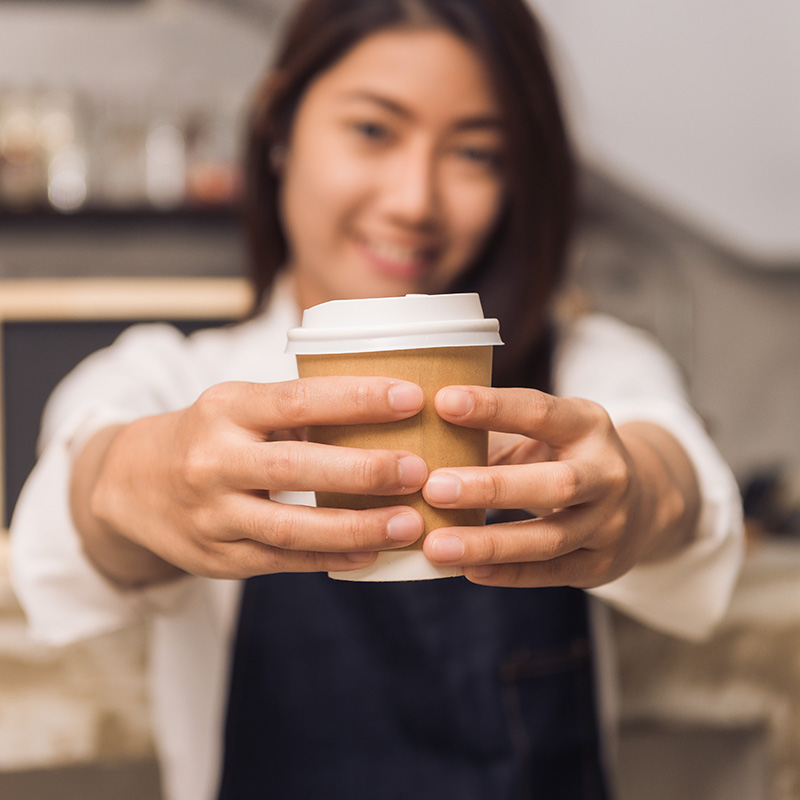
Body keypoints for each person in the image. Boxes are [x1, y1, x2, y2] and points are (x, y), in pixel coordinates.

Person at [9, 1, 744, 798]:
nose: (415, 200)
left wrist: (633, 494)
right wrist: (135, 479)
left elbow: (675, 473)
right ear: (279, 126)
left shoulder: (581, 365)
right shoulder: (182, 379)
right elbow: (77, 502)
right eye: (372, 131)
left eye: (475, 152)